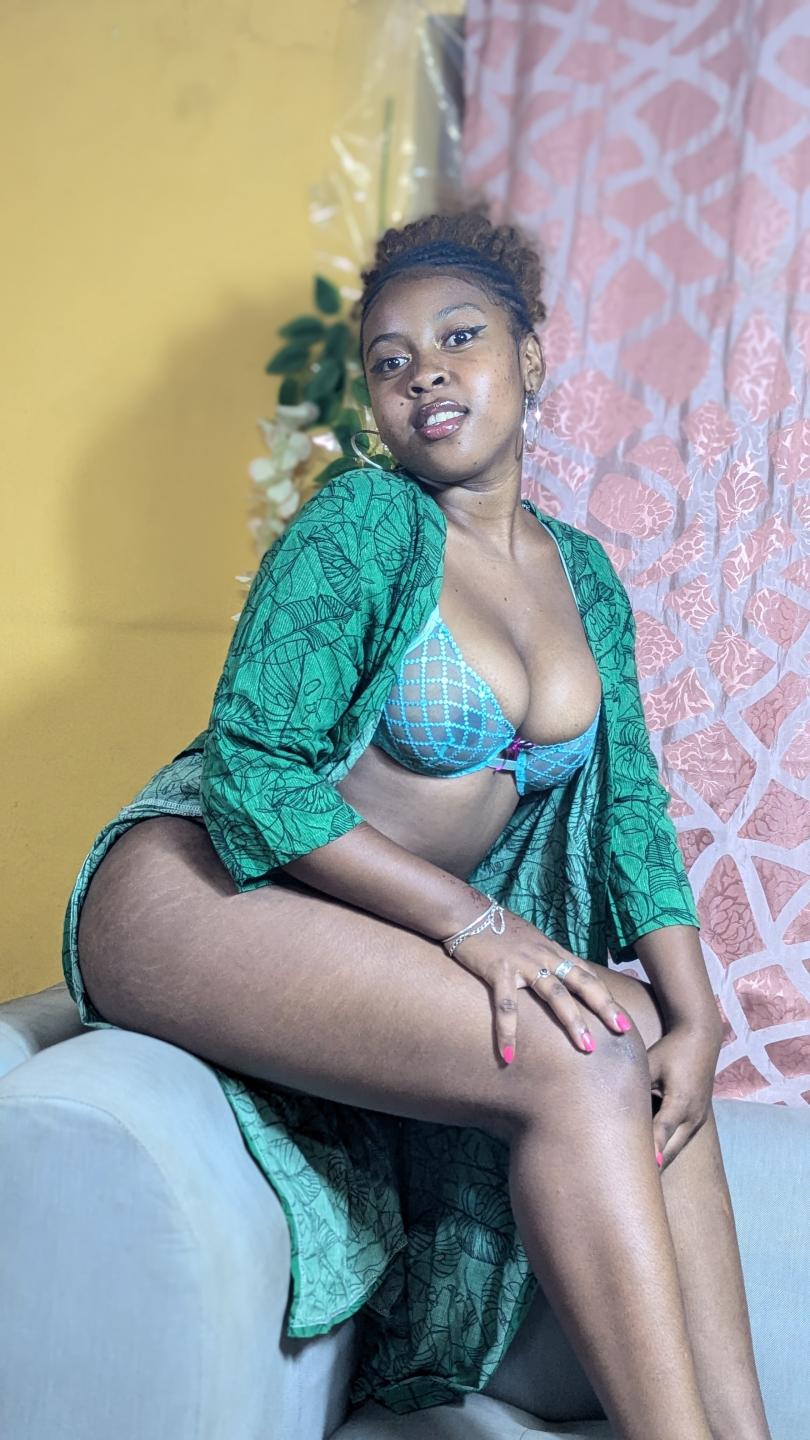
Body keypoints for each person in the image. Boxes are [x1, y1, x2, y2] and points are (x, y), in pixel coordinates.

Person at [64, 206, 772, 1440]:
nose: (425, 374)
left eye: (459, 338)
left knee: (647, 1032)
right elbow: (252, 770)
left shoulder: (584, 576)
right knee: (582, 1053)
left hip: (358, 926)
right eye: (390, 361)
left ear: (530, 356)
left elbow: (631, 810)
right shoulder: (364, 524)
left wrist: (698, 1012)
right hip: (196, 887)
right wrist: (475, 924)